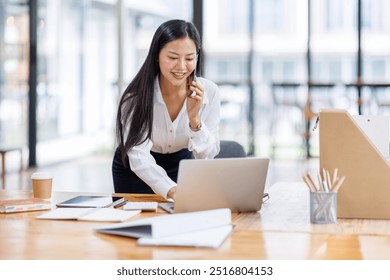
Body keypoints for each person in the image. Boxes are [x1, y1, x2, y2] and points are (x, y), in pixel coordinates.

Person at [112, 19, 220, 200]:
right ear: (157, 55)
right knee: (135, 224)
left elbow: (208, 155)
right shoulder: (135, 97)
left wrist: (195, 121)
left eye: (189, 58)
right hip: (135, 170)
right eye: (172, 57)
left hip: (182, 165)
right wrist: (169, 189)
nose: (181, 66)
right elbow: (138, 155)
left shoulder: (209, 92)